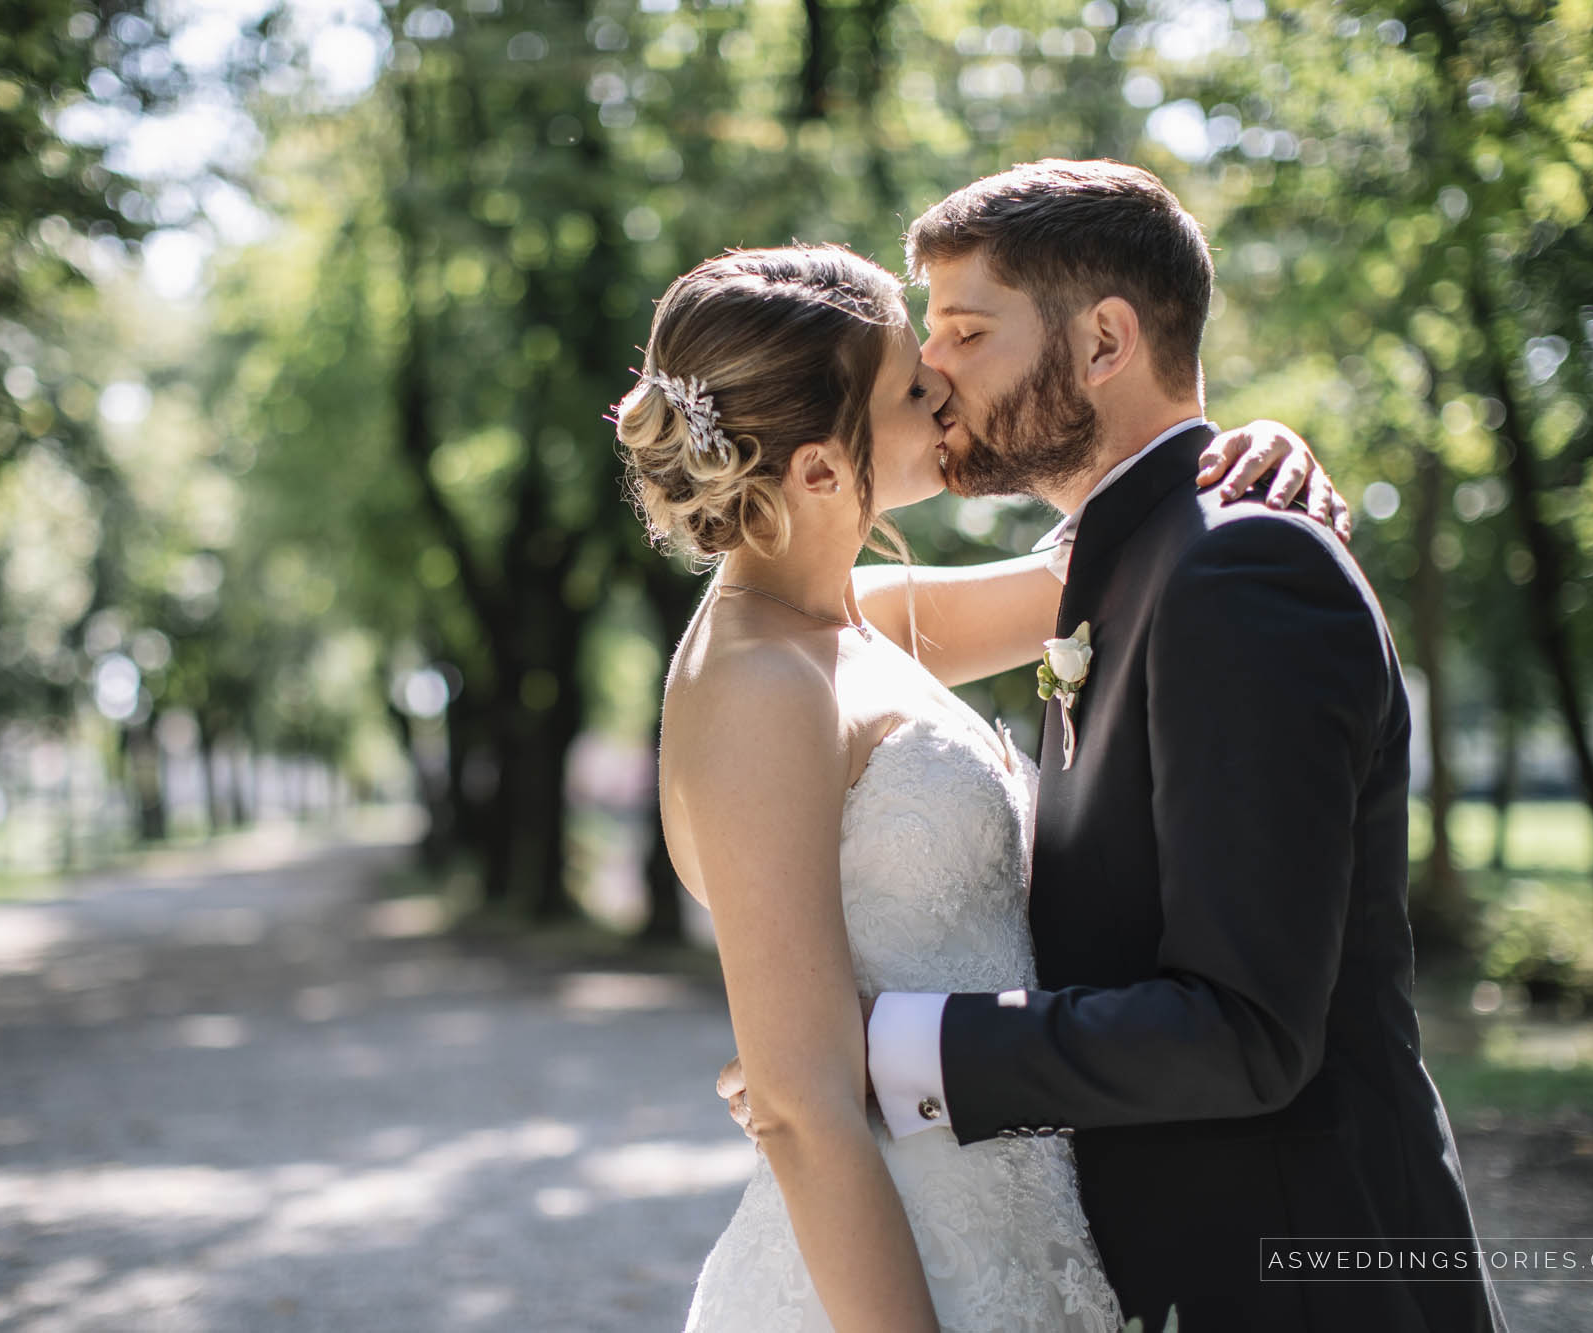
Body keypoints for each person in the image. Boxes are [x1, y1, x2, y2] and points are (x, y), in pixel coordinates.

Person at [725, 160, 1509, 1331]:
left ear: (1102, 342)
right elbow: (794, 621)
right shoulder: (1121, 563)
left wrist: (879, 1047)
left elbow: (1246, 1032)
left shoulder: (1239, 569)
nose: (929, 370)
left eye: (965, 331)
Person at [616, 241, 1346, 1332]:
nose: (945, 391)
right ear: (819, 471)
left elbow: (1113, 560)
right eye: (912, 390)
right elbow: (801, 1112)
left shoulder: (860, 617)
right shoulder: (758, 685)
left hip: (1020, 1215)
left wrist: (1243, 456)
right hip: (898, 1265)